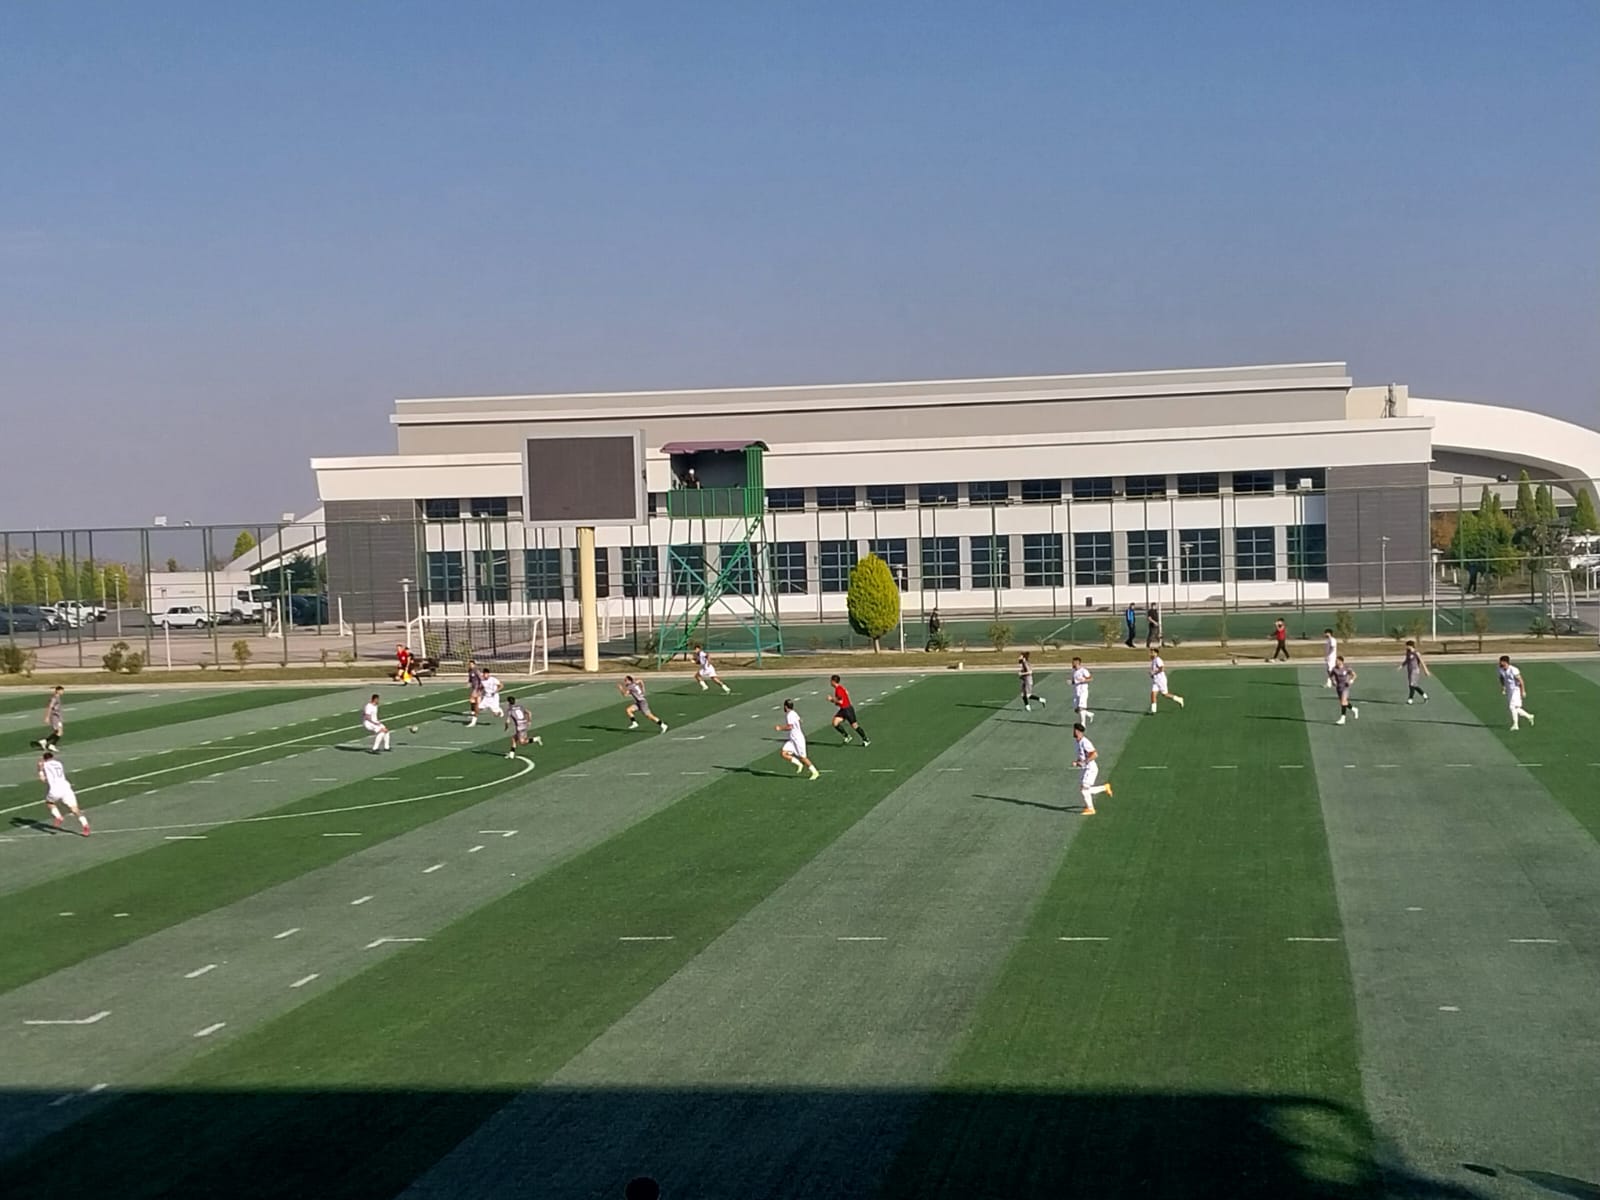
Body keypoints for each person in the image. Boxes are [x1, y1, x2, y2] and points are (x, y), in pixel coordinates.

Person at [38, 749, 89, 835]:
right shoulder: (59, 764)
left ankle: (58, 817)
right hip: (66, 788)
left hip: (55, 789)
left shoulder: (45, 764)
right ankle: (85, 825)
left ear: (44, 759)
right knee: (75, 809)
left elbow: (42, 778)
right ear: (52, 757)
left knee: (49, 803)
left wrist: (40, 769)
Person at [1071, 723, 1113, 816]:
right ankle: (1105, 788)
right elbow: (1082, 756)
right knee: (1085, 789)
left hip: (1090, 769)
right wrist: (1078, 762)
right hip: (1085, 769)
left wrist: (1085, 762)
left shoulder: (1085, 742)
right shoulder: (1077, 742)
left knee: (1084, 789)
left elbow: (1094, 754)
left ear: (1078, 731)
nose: (1073, 732)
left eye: (1074, 730)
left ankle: (1091, 809)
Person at [776, 699, 819, 779]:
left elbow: (790, 727)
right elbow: (800, 720)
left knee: (803, 757)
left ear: (786, 707)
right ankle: (799, 764)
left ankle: (815, 772)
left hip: (798, 739)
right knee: (784, 753)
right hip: (792, 740)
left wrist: (780, 728)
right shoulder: (794, 713)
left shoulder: (789, 715)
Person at [828, 674, 870, 745]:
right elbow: (846, 693)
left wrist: (831, 699)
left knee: (855, 726)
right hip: (843, 709)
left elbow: (841, 701)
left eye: (831, 681)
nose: (830, 682)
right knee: (835, 722)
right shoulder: (840, 688)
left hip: (847, 710)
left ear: (833, 681)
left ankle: (865, 739)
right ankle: (847, 736)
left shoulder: (838, 689)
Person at [1497, 655, 1535, 731]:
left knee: (1512, 707)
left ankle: (1515, 725)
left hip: (1515, 690)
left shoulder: (1513, 670)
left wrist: (1523, 691)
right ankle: (1529, 716)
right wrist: (1503, 687)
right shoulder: (1500, 669)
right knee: (1516, 708)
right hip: (1509, 690)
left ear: (1505, 662)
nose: (1500, 663)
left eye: (1501, 661)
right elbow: (1501, 678)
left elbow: (1521, 681)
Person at [504, 695, 542, 759]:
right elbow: (529, 712)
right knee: (514, 738)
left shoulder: (510, 710)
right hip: (524, 724)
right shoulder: (520, 707)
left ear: (508, 702)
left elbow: (507, 721)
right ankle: (511, 754)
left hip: (519, 727)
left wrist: (506, 727)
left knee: (522, 742)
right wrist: (529, 721)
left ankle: (536, 739)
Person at [1148, 648, 1185, 713]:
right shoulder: (1153, 660)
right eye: (1151, 652)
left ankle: (1179, 699)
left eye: (1152, 652)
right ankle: (1153, 710)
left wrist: (1154, 673)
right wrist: (1152, 675)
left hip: (1161, 680)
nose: (1151, 654)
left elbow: (1162, 668)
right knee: (1153, 694)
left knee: (1165, 694)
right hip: (1156, 681)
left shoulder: (1158, 660)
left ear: (1156, 653)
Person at [1332, 656, 1359, 725]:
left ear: (1341, 661)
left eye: (1337, 661)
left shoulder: (1346, 668)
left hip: (1345, 687)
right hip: (1339, 687)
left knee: (1343, 701)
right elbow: (1331, 676)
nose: (1336, 662)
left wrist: (1351, 680)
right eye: (1336, 661)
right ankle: (1354, 709)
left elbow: (1354, 675)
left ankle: (1343, 718)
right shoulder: (1334, 669)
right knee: (1344, 702)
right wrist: (1333, 681)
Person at [37, 685, 64, 751]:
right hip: (55, 717)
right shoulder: (54, 698)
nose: (63, 692)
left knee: (58, 732)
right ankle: (52, 745)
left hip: (58, 717)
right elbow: (50, 707)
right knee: (59, 732)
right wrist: (47, 717)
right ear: (57, 691)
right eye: (61, 691)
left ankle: (44, 741)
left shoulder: (57, 698)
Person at [1069, 657, 1094, 724]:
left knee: (1081, 708)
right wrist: (1071, 682)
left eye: (1073, 663)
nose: (1072, 664)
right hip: (1076, 692)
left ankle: (1083, 724)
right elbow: (1074, 681)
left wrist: (1084, 680)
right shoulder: (1073, 671)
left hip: (1083, 691)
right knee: (1076, 709)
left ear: (1077, 663)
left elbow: (1091, 679)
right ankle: (1089, 714)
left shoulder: (1084, 671)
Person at [465, 659, 483, 726]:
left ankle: (474, 713)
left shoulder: (476, 671)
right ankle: (474, 712)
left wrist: (480, 686)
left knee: (473, 700)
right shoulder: (469, 671)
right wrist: (469, 683)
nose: (471, 665)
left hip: (477, 688)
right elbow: (470, 678)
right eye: (470, 664)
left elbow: (481, 678)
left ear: (474, 665)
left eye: (472, 664)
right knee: (473, 701)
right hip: (473, 687)